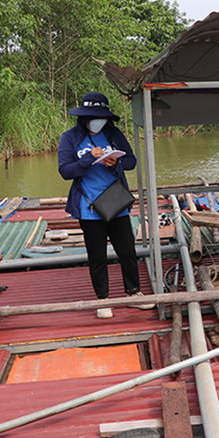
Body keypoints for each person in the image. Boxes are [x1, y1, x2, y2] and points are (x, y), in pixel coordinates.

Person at [58, 92, 150, 314]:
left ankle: (133, 292)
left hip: (115, 201)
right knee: (97, 255)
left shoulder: (114, 134)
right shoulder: (69, 138)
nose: (98, 121)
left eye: (102, 117)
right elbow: (65, 171)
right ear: (83, 117)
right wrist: (88, 158)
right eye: (93, 117)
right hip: (88, 206)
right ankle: (103, 300)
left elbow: (131, 161)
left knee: (127, 250)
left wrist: (114, 164)